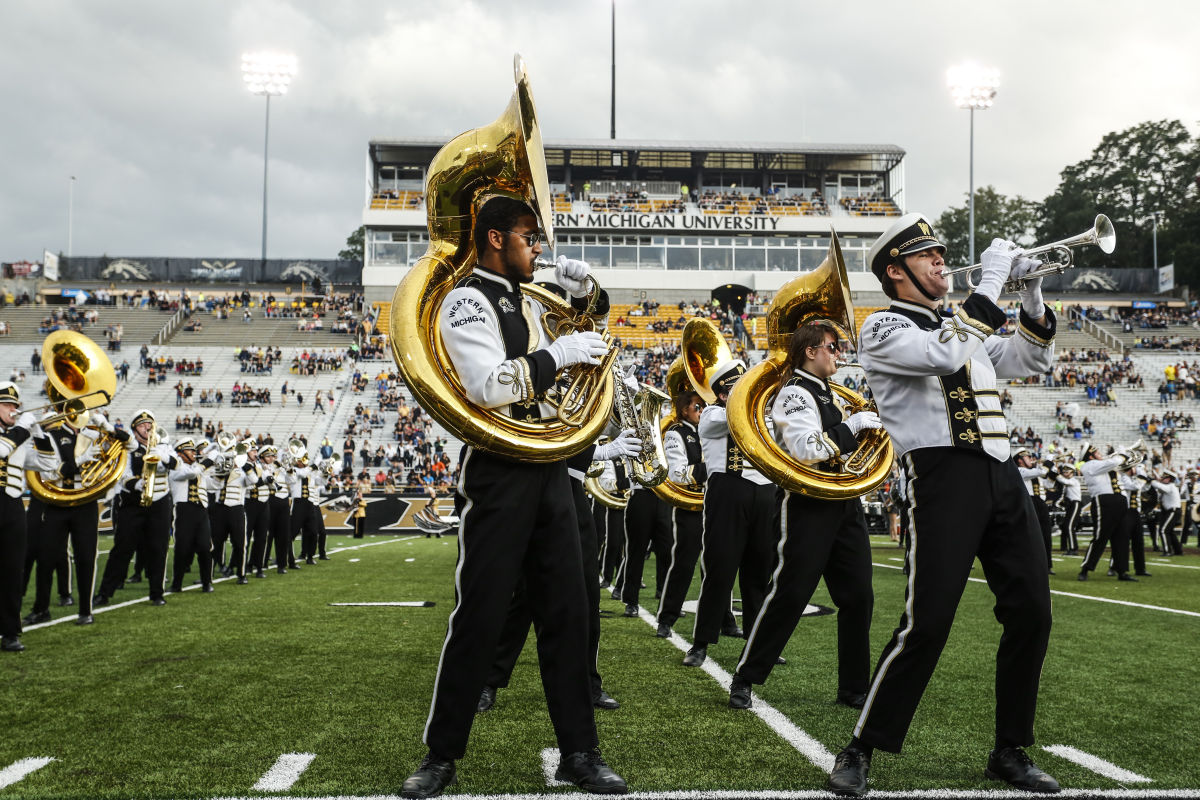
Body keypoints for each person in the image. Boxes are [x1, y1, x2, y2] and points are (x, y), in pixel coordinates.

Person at [401, 197, 627, 797]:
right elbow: (486, 386)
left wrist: (582, 304)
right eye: (529, 237)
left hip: (551, 469)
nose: (538, 250)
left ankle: (581, 753)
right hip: (499, 472)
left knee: (570, 617)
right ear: (496, 238)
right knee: (479, 616)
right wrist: (559, 352)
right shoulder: (466, 299)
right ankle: (440, 756)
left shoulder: (528, 301)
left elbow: (583, 348)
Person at [827, 215, 1059, 796]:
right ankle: (860, 746)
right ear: (896, 271)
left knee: (1032, 612)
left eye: (940, 254)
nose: (941, 263)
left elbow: (1029, 360)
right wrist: (993, 284)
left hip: (1001, 474)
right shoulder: (881, 327)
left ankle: (1011, 748)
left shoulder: (964, 329)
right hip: (941, 478)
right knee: (926, 623)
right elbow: (941, 355)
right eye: (927, 256)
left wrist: (1030, 294)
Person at [728, 320, 877, 711]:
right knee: (790, 594)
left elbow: (841, 444)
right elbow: (807, 448)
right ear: (811, 351)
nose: (838, 354)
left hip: (844, 501)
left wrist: (863, 432)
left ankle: (854, 687)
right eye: (832, 346)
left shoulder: (831, 394)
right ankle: (746, 675)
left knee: (859, 596)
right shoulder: (794, 394)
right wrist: (852, 427)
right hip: (809, 504)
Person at [684, 359, 775, 669]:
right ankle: (700, 643)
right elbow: (726, 421)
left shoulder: (761, 411)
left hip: (764, 493)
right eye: (737, 386)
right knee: (719, 570)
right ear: (723, 393)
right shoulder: (711, 414)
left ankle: (757, 644)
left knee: (759, 574)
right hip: (727, 491)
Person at [95, 410, 177, 607]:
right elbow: (123, 476)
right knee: (122, 548)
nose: (147, 428)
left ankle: (157, 593)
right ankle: (105, 592)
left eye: (149, 424)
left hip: (160, 502)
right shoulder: (127, 448)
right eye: (142, 425)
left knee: (159, 548)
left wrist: (163, 457)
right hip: (133, 504)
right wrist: (138, 484)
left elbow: (177, 464)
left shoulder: (163, 445)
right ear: (134, 429)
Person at [0, 382, 59, 651]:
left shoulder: (19, 435)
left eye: (15, 405)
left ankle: (10, 633)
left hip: (12, 507)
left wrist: (38, 433)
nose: (13, 409)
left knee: (13, 570)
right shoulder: (13, 436)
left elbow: (48, 465)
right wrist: (24, 428)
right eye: (7, 405)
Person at [656, 389, 706, 638]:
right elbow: (676, 473)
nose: (701, 411)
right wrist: (709, 469)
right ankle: (666, 618)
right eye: (697, 406)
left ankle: (725, 618)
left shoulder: (710, 430)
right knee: (684, 565)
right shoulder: (676, 433)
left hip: (714, 506)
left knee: (718, 567)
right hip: (689, 507)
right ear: (684, 408)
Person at [1078, 444, 1137, 582]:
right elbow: (1115, 461)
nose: (1100, 453)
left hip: (1120, 500)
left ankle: (1122, 571)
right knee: (1100, 537)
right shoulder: (1089, 466)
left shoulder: (1106, 466)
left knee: (1122, 538)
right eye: (1097, 452)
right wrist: (1121, 453)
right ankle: (1085, 569)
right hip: (1104, 501)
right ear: (1090, 455)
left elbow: (1123, 474)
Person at [167, 438, 215, 593]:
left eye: (194, 450)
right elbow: (191, 473)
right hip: (183, 510)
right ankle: (177, 584)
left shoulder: (196, 468)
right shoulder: (176, 467)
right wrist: (207, 462)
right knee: (182, 548)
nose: (194, 453)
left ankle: (206, 582)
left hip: (201, 509)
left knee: (204, 547)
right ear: (180, 453)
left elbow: (214, 486)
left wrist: (221, 475)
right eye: (190, 450)